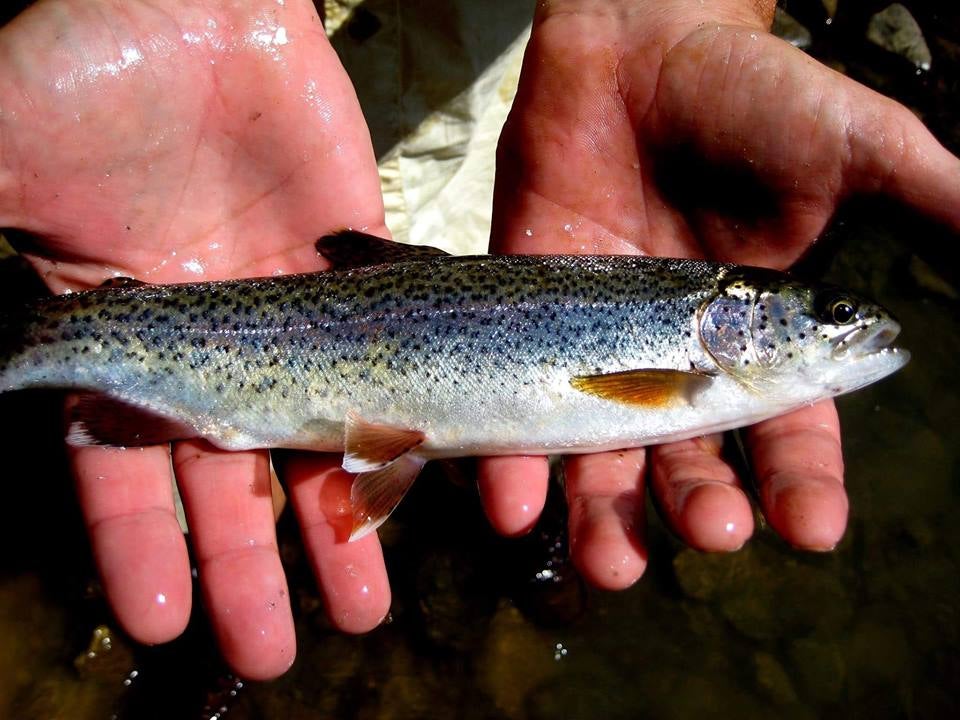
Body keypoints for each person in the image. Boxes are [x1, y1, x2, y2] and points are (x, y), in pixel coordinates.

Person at [0, 0, 956, 681]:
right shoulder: (687, 365)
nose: (852, 333)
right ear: (736, 315)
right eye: (831, 320)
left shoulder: (695, 345)